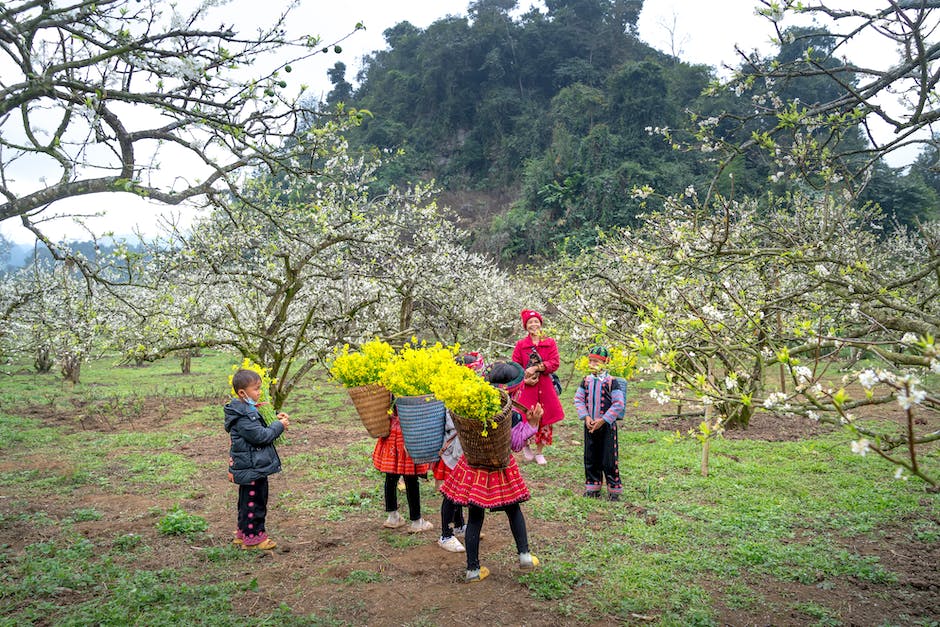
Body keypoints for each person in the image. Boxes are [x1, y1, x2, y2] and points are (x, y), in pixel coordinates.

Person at [440, 360, 543, 583]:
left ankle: (473, 570)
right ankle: (524, 556)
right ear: (516, 389)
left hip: (474, 468)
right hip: (501, 468)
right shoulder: (511, 414)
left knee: (475, 517)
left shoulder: (473, 408)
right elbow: (515, 444)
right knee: (513, 510)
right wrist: (533, 424)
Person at [225, 368, 290, 550]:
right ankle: (253, 540)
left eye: (260, 388)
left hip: (252, 465)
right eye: (256, 389)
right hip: (252, 467)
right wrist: (279, 426)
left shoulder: (246, 410)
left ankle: (243, 533)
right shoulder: (243, 416)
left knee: (247, 500)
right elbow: (260, 436)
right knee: (254, 502)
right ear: (242, 393)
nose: (260, 392)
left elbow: (258, 427)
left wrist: (275, 420)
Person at [512, 309, 565, 465]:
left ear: (541, 324)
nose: (533, 325)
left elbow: (554, 363)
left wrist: (537, 368)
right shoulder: (521, 345)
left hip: (545, 387)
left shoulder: (549, 343)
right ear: (525, 326)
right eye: (530, 322)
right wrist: (524, 380)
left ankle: (540, 451)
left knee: (545, 419)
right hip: (527, 388)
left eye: (536, 322)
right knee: (526, 417)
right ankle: (525, 445)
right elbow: (515, 367)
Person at [573, 346, 626, 501]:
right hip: (590, 426)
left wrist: (603, 420)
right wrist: (586, 417)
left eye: (596, 361)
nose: (592, 364)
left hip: (606, 426)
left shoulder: (612, 382)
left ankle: (614, 490)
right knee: (590, 456)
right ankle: (593, 487)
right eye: (590, 360)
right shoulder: (586, 380)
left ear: (605, 362)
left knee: (609, 458)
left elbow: (618, 403)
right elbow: (578, 399)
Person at [373, 404, 434, 533]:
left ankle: (393, 517)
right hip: (408, 433)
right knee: (411, 479)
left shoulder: (388, 387)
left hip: (391, 431)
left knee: (391, 477)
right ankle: (417, 522)